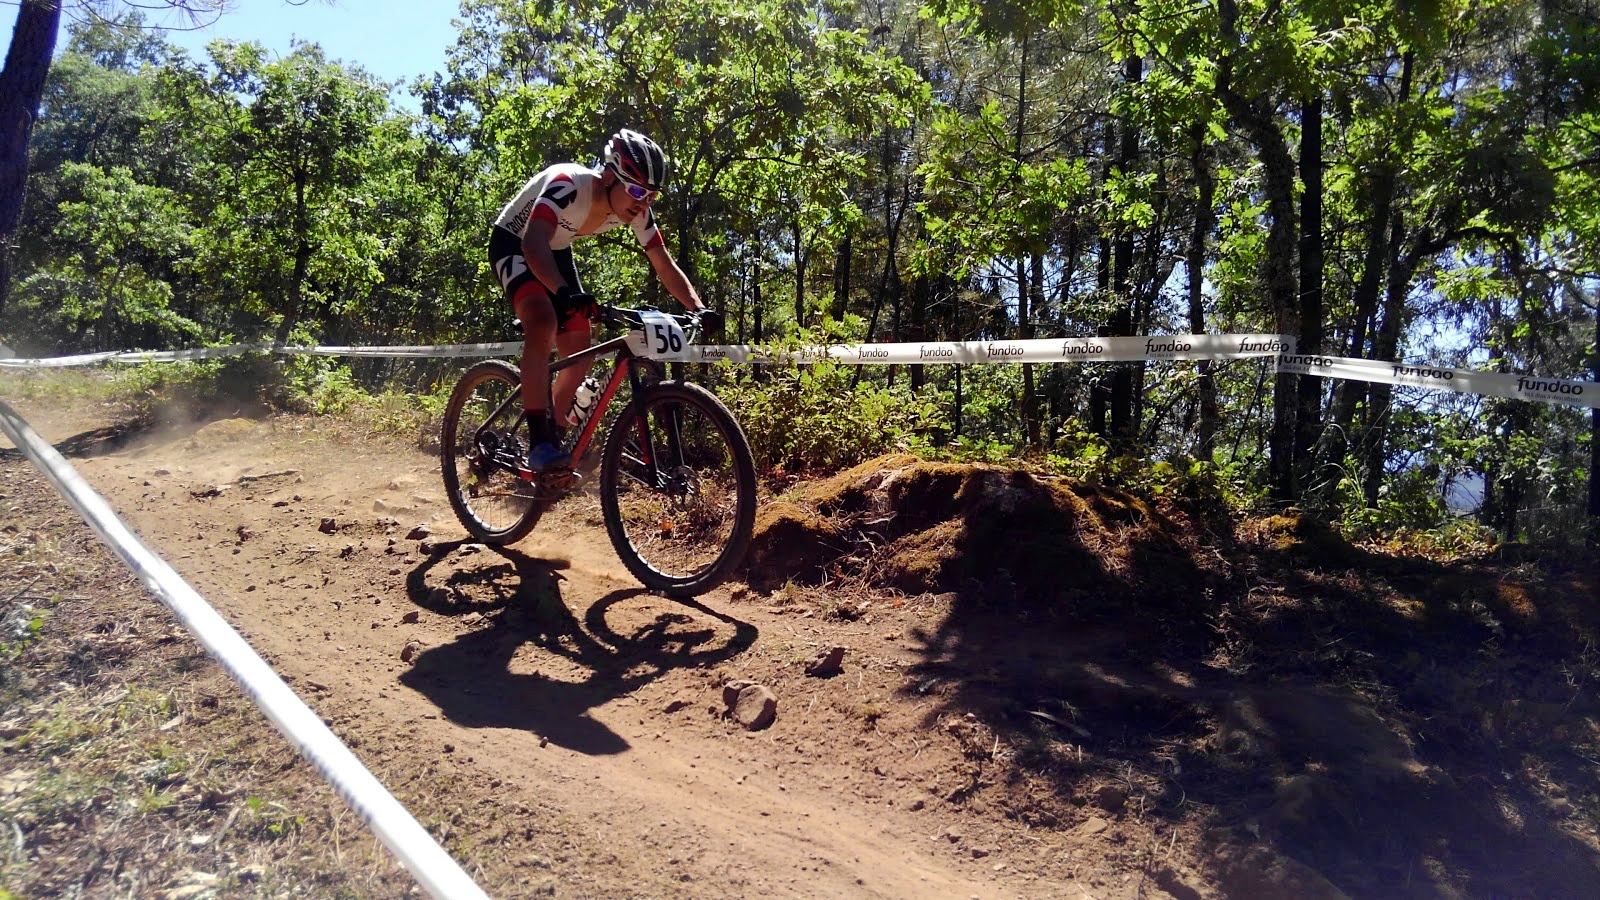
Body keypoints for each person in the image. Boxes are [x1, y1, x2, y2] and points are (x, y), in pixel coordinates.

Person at [488, 128, 711, 472]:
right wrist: (564, 292)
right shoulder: (568, 184)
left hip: (555, 248)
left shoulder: (637, 210)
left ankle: (555, 437)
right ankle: (539, 443)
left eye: (651, 197)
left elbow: (663, 263)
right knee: (543, 321)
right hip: (516, 242)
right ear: (609, 176)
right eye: (636, 190)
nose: (642, 202)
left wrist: (697, 308)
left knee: (580, 344)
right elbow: (532, 245)